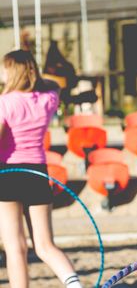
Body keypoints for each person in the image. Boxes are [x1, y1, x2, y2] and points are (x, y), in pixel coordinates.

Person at [0, 50, 83, 288]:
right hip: (37, 173)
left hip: (8, 174)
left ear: (12, 72)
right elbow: (53, 83)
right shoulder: (48, 98)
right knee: (45, 245)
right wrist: (32, 76)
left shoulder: (5, 103)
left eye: (5, 68)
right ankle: (75, 285)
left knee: (15, 248)